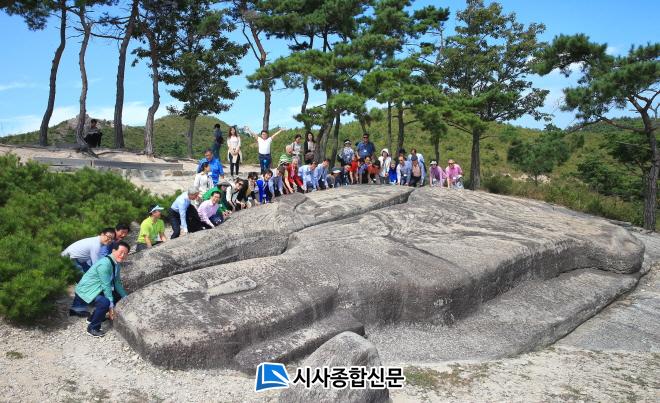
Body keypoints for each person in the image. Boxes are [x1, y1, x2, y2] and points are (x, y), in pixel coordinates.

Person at [69, 241, 129, 337]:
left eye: (125, 253)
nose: (122, 255)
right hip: (86, 291)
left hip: (96, 289)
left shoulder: (116, 263)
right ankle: (93, 328)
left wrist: (126, 297)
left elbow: (117, 282)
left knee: (117, 295)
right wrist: (111, 305)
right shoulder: (105, 264)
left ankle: (93, 318)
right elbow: (106, 285)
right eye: (121, 252)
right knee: (105, 302)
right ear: (113, 251)